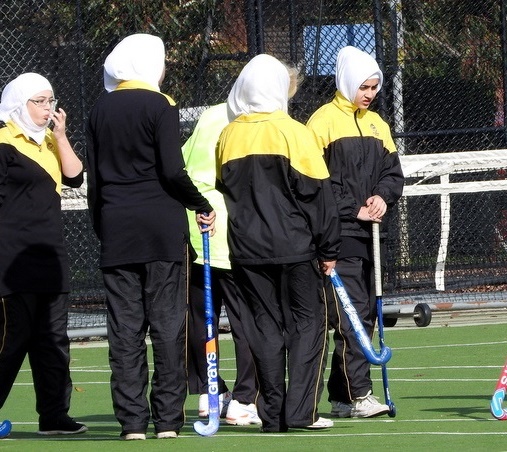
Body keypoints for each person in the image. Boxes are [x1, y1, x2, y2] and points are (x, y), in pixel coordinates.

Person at [86, 33, 215, 440]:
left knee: (124, 330)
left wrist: (102, 226)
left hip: (117, 229)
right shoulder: (160, 104)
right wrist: (200, 205)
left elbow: (94, 181)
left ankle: (131, 423)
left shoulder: (98, 108)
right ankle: (168, 422)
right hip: (161, 228)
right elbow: (173, 170)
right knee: (167, 325)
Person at [215, 53, 341, 432]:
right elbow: (319, 197)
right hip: (295, 247)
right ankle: (301, 412)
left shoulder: (229, 134)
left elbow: (226, 188)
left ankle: (272, 413)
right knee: (309, 323)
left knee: (264, 327)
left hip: (247, 251)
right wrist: (329, 249)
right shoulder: (294, 132)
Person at [306, 46, 404, 418]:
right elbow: (317, 181)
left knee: (359, 313)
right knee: (353, 314)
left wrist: (382, 197)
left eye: (375, 87)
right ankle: (361, 394)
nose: (370, 94)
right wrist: (353, 208)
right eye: (364, 86)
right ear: (347, 83)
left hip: (371, 237)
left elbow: (393, 174)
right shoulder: (321, 122)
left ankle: (342, 396)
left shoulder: (379, 124)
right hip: (337, 233)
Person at [0, 73, 87, 436]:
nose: (48, 108)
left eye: (50, 100)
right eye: (39, 101)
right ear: (19, 103)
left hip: (50, 257)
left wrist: (62, 136)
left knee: (52, 341)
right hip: (11, 259)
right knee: (11, 339)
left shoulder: (51, 140)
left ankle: (54, 416)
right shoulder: (4, 140)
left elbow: (76, 177)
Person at [182, 103, 261, 426]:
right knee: (251, 320)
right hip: (237, 237)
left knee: (202, 316)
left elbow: (183, 165)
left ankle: (208, 390)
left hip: (198, 231)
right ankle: (243, 398)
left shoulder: (209, 117)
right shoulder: (254, 121)